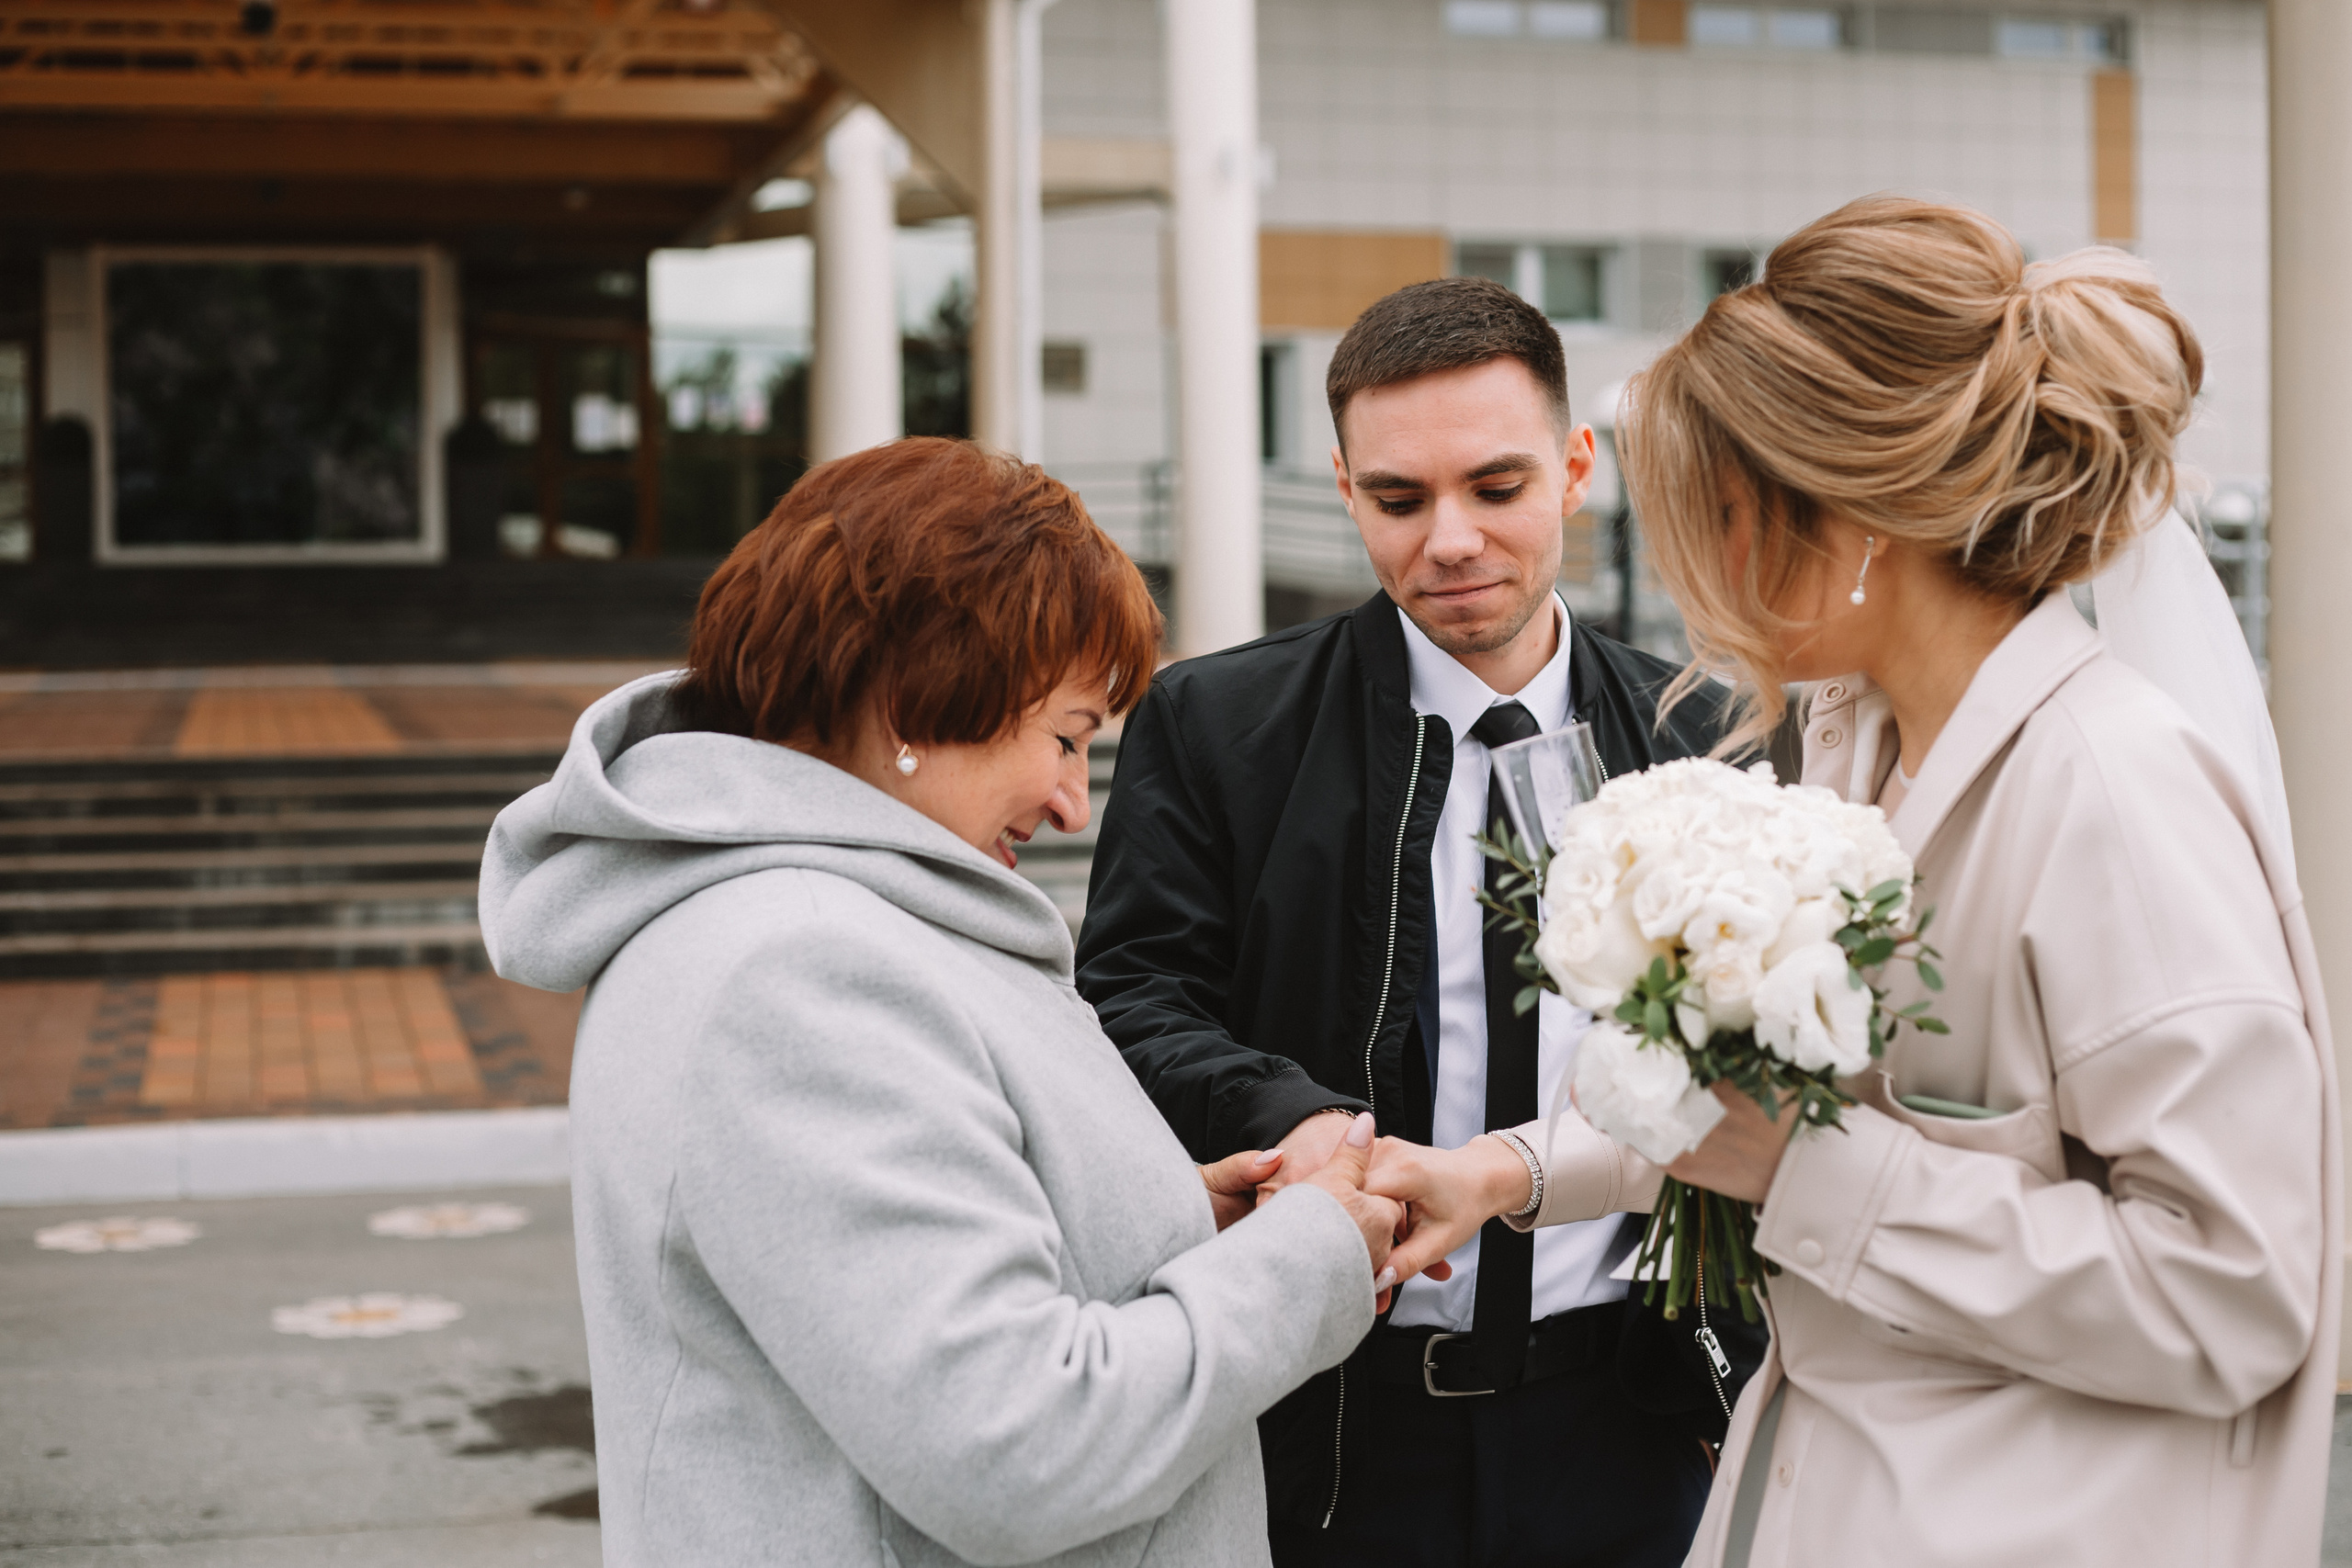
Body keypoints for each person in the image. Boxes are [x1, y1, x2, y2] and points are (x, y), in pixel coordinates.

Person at [1555, 195, 2332, 1567]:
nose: (1700, 576)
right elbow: (1758, 1119)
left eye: (1726, 514)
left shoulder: (2110, 793)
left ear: (1849, 511)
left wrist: (1810, 1170)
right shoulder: (1861, 747)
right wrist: (1488, 1176)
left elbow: (2236, 1290)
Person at [478, 438, 1409, 1568]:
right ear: (918, 696)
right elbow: (1015, 1449)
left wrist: (1185, 1219)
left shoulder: (821, 927)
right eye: (1065, 737)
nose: (1075, 802)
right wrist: (1308, 1259)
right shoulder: (798, 976)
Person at [1076, 276, 1764, 1568]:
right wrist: (1290, 1110)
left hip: (1632, 1413)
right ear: (1345, 488)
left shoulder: (1706, 732)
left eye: (1494, 488)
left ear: (1575, 470)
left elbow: (1753, 1070)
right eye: (1399, 499)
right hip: (1331, 1421)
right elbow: (1127, 999)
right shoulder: (1218, 724)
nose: (1448, 538)